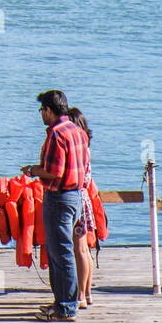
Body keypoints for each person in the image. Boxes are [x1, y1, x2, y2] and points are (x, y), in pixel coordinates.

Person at [21, 90, 90, 322]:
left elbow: (53, 172)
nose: (41, 114)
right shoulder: (78, 131)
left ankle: (66, 307)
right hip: (77, 196)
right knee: (62, 252)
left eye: (42, 110)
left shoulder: (56, 134)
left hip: (60, 197)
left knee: (60, 253)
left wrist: (32, 170)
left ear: (49, 110)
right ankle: (62, 301)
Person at [67, 107, 95, 309]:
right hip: (84, 199)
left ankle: (81, 296)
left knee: (79, 249)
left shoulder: (78, 148)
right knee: (84, 249)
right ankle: (88, 292)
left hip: (77, 199)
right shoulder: (86, 147)